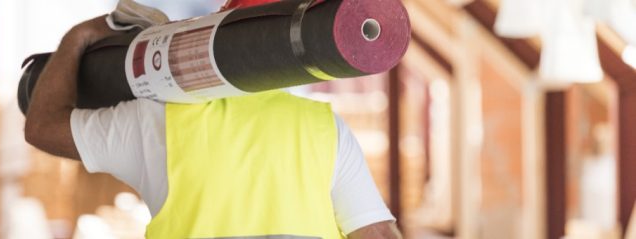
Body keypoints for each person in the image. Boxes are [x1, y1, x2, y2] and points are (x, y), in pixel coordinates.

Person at [24, 4, 402, 239]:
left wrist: (79, 37)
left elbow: (42, 127)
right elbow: (377, 234)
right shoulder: (325, 130)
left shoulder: (159, 120)